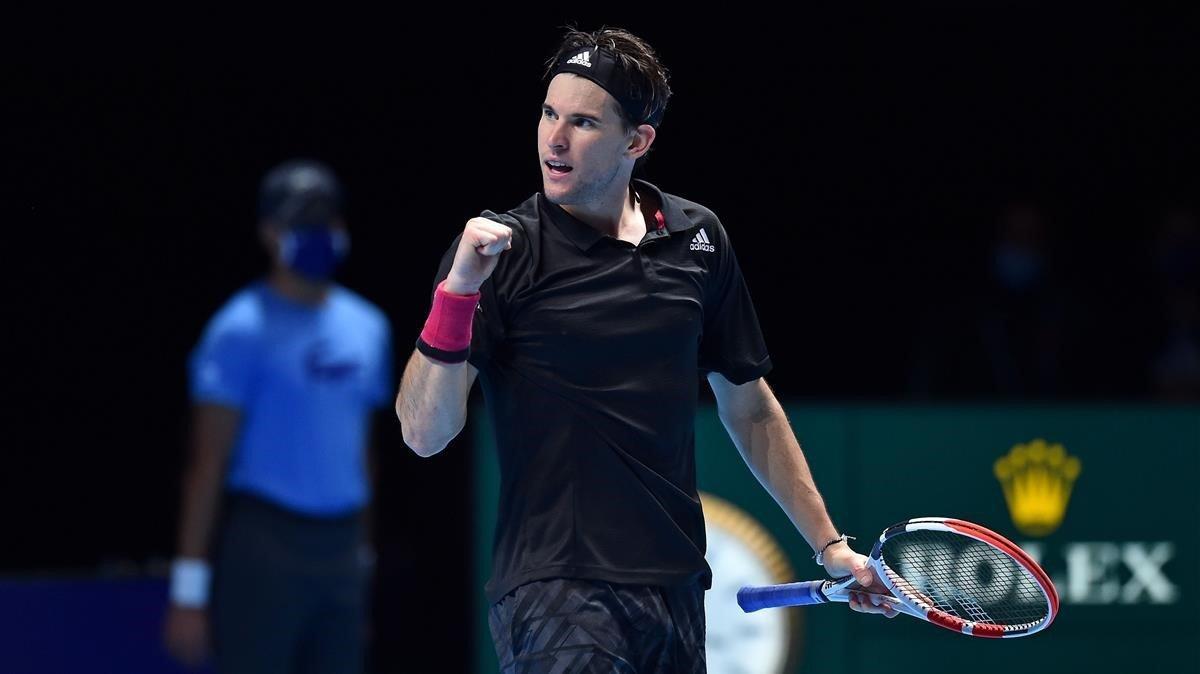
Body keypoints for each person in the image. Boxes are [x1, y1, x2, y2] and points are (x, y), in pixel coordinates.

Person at [396, 27, 892, 673]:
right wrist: (457, 291)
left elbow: (752, 409)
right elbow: (423, 433)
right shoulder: (503, 252)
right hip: (555, 587)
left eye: (582, 121)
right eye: (548, 114)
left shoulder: (698, 239)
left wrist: (831, 548)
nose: (555, 139)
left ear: (638, 141)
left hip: (677, 587)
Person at [164, 160, 393, 674]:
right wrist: (188, 593)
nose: (319, 235)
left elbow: (362, 454)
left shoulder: (368, 328)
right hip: (266, 545)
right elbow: (206, 463)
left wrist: (362, 567)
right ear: (270, 233)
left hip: (340, 550)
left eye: (327, 221)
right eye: (302, 223)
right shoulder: (238, 330)